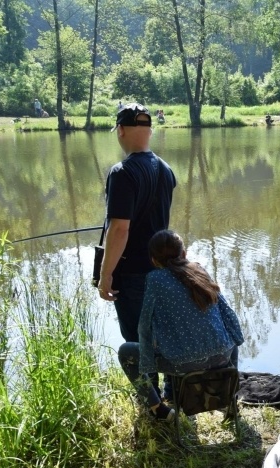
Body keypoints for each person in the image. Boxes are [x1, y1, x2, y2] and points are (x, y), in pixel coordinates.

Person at [117, 230, 244, 421]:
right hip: (222, 358)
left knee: (125, 352)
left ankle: (158, 409)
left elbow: (144, 326)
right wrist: (236, 342)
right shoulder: (199, 269)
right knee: (231, 337)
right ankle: (231, 400)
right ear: (183, 253)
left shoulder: (154, 279)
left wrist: (148, 363)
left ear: (153, 260)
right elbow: (227, 313)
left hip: (181, 365)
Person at [98, 103, 177, 400]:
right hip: (166, 269)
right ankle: (172, 390)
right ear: (149, 130)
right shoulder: (166, 169)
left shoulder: (122, 172)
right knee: (164, 332)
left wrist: (106, 275)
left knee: (136, 338)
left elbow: (119, 229)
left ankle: (151, 401)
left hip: (133, 275)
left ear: (120, 130)